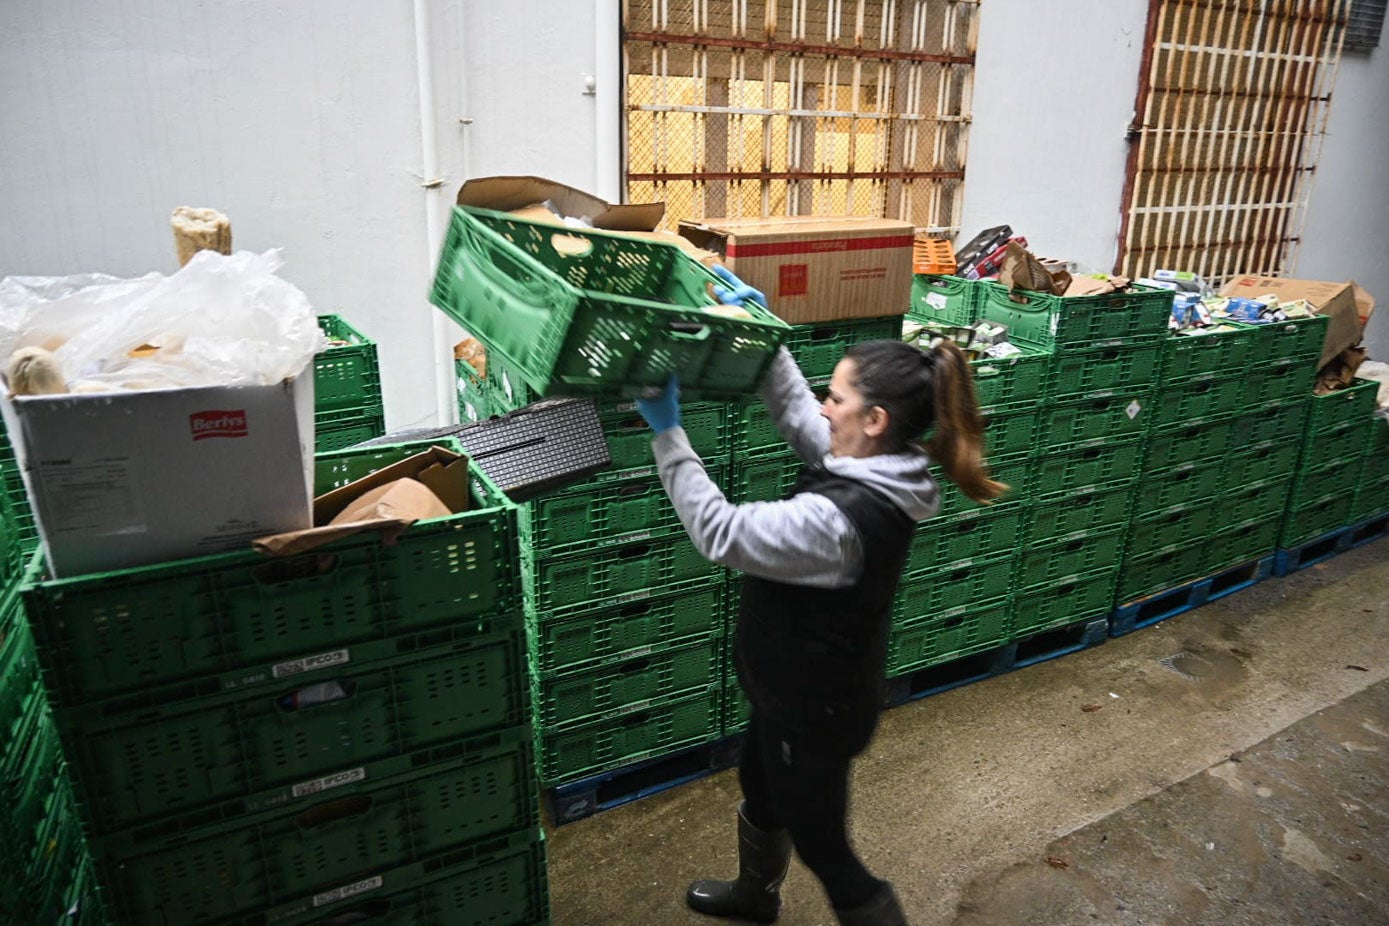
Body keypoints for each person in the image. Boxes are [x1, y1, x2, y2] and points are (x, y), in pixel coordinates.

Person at [635, 302, 1006, 926]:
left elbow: (719, 531)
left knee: (829, 853)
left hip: (815, 710)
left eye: (835, 397)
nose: (823, 406)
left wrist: (667, 433)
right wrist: (762, 334)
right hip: (787, 686)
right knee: (759, 787)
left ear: (875, 418)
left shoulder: (839, 523)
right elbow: (796, 413)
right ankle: (756, 896)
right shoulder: (878, 460)